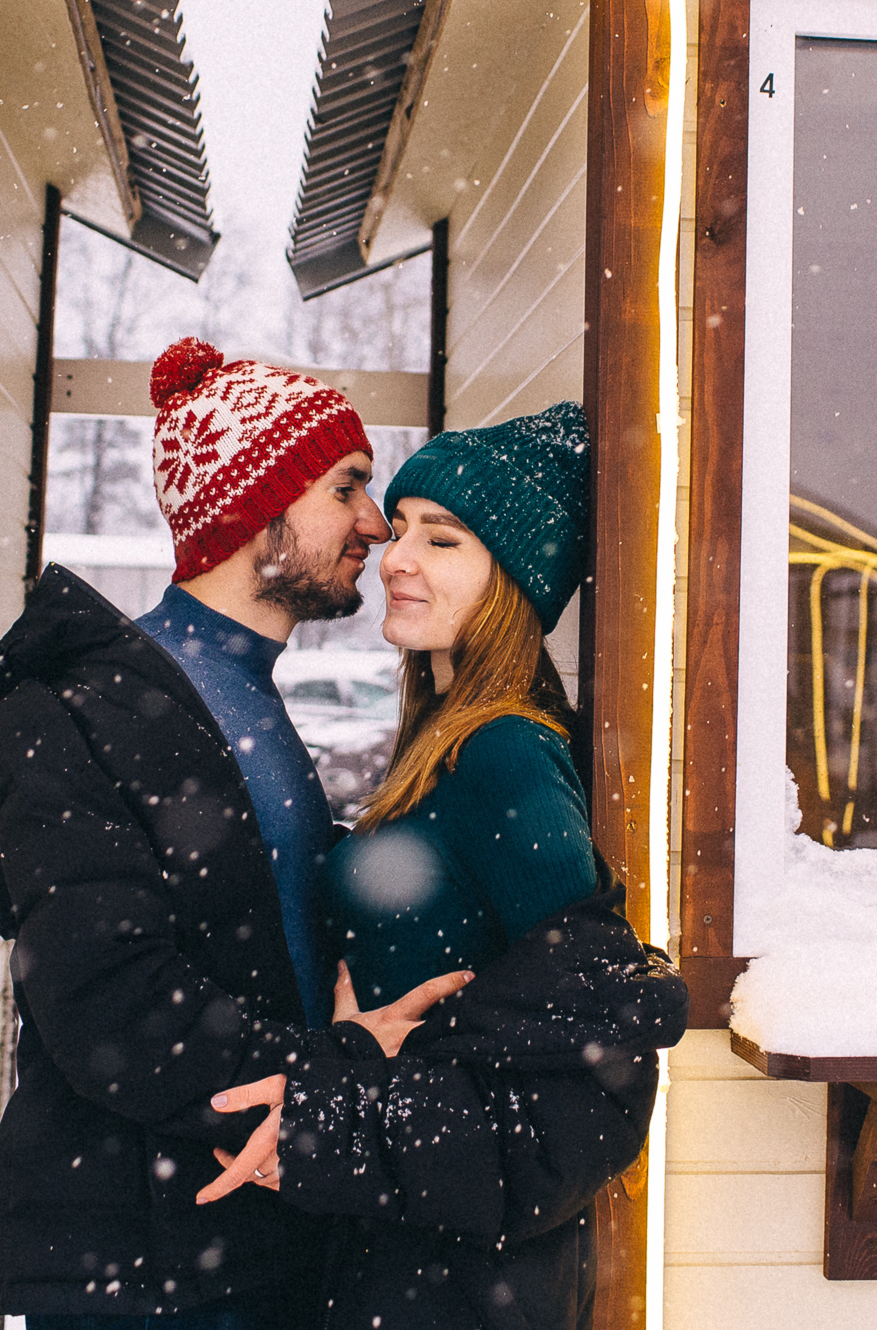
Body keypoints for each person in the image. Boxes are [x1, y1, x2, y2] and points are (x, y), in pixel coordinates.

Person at [0, 338, 465, 1329]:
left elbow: (259, 932)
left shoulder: (241, 701)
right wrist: (331, 1074)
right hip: (142, 1268)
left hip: (253, 1238)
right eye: (346, 486)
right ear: (255, 501)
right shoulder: (75, 713)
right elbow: (113, 1004)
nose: (373, 522)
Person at [194, 401, 689, 1330]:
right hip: (410, 1246)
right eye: (403, 527)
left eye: (444, 538)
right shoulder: (444, 744)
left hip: (461, 1280)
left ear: (515, 581)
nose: (395, 557)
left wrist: (343, 1116)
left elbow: (590, 1055)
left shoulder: (504, 751)